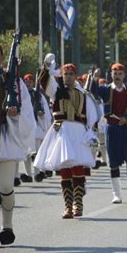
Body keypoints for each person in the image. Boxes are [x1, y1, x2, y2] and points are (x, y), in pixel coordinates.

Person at [34, 56, 98, 218]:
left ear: (75, 76)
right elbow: (44, 81)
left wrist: (90, 133)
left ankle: (78, 204)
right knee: (65, 169)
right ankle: (68, 206)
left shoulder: (83, 94)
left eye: (70, 74)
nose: (68, 76)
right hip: (62, 132)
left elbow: (93, 115)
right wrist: (47, 66)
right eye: (65, 73)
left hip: (78, 132)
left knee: (77, 167)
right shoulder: (56, 91)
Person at [0, 41, 36, 246]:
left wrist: (14, 113)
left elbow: (27, 113)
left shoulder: (14, 82)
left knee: (6, 185)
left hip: (5, 140)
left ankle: (7, 227)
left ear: (2, 57)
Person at [91, 63, 127, 203]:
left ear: (124, 75)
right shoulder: (106, 90)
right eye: (115, 73)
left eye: (120, 74)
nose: (117, 76)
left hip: (125, 130)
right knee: (113, 162)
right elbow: (92, 91)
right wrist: (94, 78)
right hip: (111, 129)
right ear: (111, 75)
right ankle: (117, 194)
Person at [19, 73, 52, 183]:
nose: (28, 84)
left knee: (37, 152)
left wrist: (42, 114)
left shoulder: (37, 95)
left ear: (33, 83)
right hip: (25, 126)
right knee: (26, 153)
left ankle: (37, 173)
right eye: (26, 82)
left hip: (36, 126)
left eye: (30, 82)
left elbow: (45, 109)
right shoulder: (21, 94)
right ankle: (28, 174)